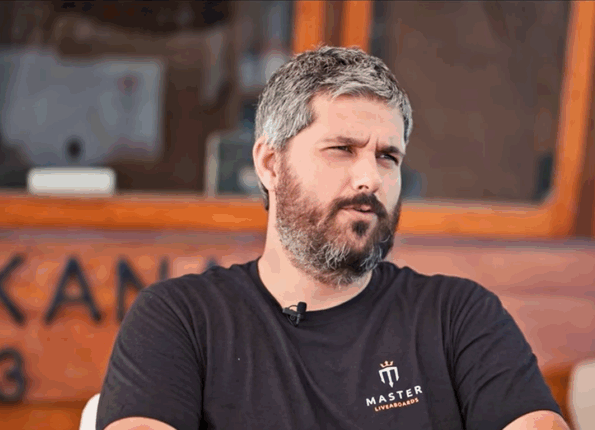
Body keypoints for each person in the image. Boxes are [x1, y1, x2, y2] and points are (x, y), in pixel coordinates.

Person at [97, 46, 569, 430]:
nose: (370, 178)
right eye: (342, 149)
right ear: (269, 164)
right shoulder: (183, 319)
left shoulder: (457, 315)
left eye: (388, 157)